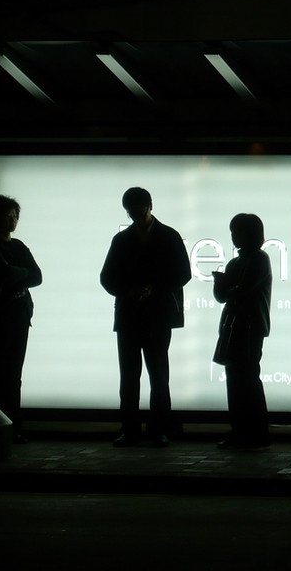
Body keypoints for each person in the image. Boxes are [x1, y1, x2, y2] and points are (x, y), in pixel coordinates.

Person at [100, 187, 191, 448]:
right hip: (154, 315)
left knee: (147, 375)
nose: (135, 216)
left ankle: (139, 429)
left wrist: (133, 291)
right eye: (131, 212)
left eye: (136, 211)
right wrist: (153, 288)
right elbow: (182, 273)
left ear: (149, 206)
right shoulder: (167, 236)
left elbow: (108, 277)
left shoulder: (126, 240)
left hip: (139, 314)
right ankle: (147, 430)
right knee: (148, 374)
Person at [0, 195, 42, 444]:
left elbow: (37, 276)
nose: (13, 220)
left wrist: (14, 275)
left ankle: (12, 426)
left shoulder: (17, 246)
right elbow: (19, 275)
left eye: (15, 215)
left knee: (13, 374)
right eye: (8, 215)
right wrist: (20, 275)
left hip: (17, 318)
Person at [212, 213, 272, 449]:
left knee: (246, 380)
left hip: (249, 327)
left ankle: (255, 432)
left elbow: (242, 290)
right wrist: (226, 287)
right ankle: (243, 430)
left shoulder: (258, 259)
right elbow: (225, 295)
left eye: (238, 232)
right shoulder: (237, 262)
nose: (234, 237)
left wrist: (226, 287)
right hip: (235, 327)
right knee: (237, 381)